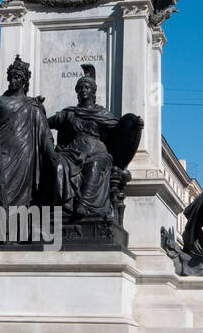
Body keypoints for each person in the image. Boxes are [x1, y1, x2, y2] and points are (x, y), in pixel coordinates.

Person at [48, 66, 142, 221]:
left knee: (96, 165)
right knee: (58, 165)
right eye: (80, 88)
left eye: (87, 87)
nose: (83, 90)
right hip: (71, 152)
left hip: (97, 152)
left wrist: (133, 126)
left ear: (93, 92)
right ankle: (64, 205)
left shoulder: (102, 114)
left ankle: (84, 206)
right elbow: (45, 124)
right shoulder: (69, 113)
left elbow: (120, 133)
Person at [0, 56, 54, 209]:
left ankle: (16, 223)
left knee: (22, 195)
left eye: (17, 77)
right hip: (1, 150)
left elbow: (44, 133)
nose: (13, 80)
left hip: (24, 154)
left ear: (24, 80)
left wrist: (52, 154)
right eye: (11, 77)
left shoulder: (33, 104)